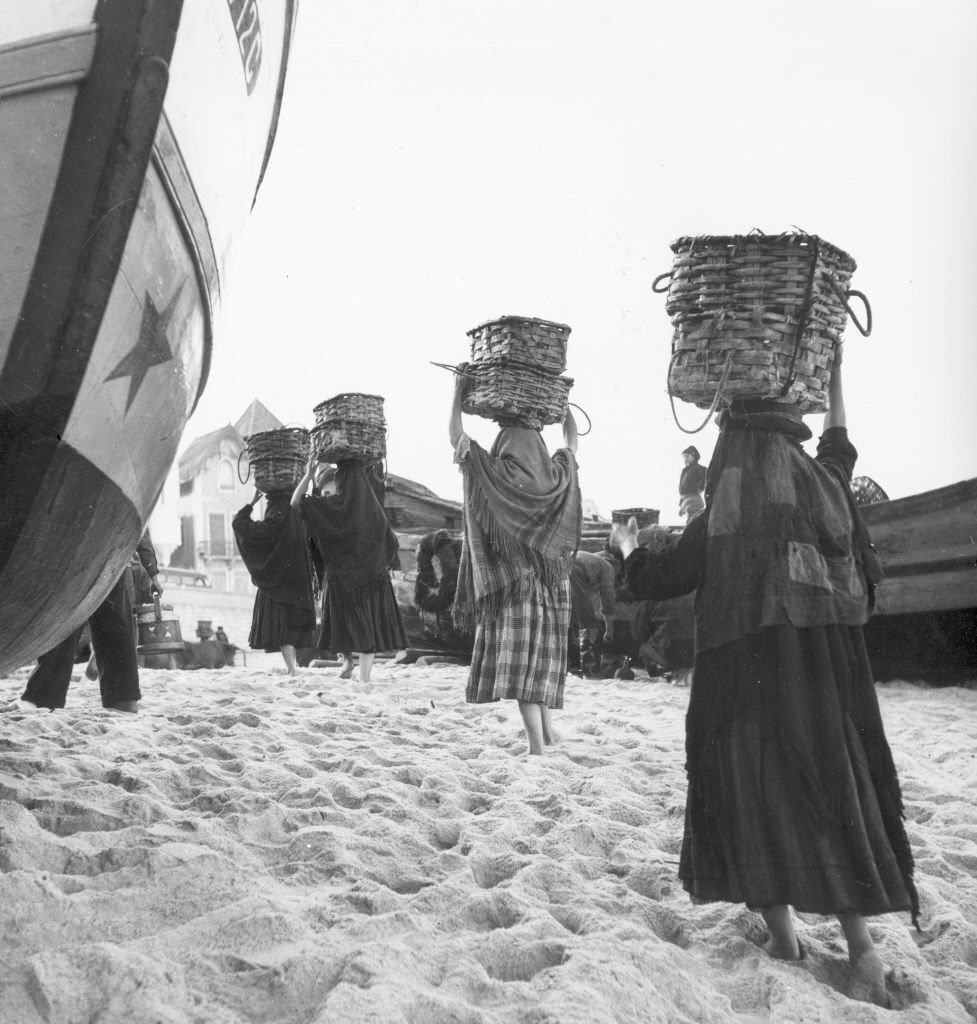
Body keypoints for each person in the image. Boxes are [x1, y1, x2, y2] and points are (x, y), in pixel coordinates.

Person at [611, 344, 916, 1006]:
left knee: (748, 789)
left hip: (740, 675)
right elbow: (840, 446)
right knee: (832, 790)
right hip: (821, 682)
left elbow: (666, 576)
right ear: (789, 429)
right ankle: (862, 951)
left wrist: (630, 548)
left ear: (731, 434)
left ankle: (782, 937)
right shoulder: (823, 484)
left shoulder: (731, 493)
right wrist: (834, 374)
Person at [449, 368, 582, 756]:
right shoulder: (558, 476)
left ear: (504, 445)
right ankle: (550, 735)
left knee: (523, 668)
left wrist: (457, 392)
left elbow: (457, 438)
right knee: (541, 662)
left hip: (517, 584)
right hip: (555, 588)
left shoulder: (498, 474)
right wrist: (565, 406)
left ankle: (536, 748)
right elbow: (572, 443)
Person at [291, 458, 406, 683]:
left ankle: (354, 669)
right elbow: (389, 541)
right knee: (366, 631)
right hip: (370, 579)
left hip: (341, 580)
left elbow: (295, 503)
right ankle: (359, 673)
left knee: (346, 627)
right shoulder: (371, 507)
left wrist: (308, 474)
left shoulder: (331, 507)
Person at [22, 530, 162, 713]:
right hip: (114, 558)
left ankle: (44, 699)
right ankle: (122, 700)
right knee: (116, 631)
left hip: (80, 556)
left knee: (64, 624)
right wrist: (152, 573)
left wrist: (153, 573)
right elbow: (140, 526)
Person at [233, 488, 317, 676]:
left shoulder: (275, 517)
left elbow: (242, 526)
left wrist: (249, 505)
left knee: (282, 629)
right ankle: (293, 668)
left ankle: (292, 668)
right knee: (290, 628)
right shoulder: (295, 513)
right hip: (296, 582)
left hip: (275, 584)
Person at [568, 549, 617, 677]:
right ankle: (590, 669)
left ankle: (570, 665)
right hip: (573, 569)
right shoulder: (608, 566)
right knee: (588, 621)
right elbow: (607, 598)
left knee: (569, 618)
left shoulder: (591, 559)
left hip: (560, 565)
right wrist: (609, 629)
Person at [678, 445, 707, 523]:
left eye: (687, 456)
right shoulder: (685, 470)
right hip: (685, 499)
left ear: (694, 456)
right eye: (684, 457)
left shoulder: (701, 469)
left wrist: (685, 504)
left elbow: (700, 488)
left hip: (694, 500)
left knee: (692, 522)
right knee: (689, 522)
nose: (685, 459)